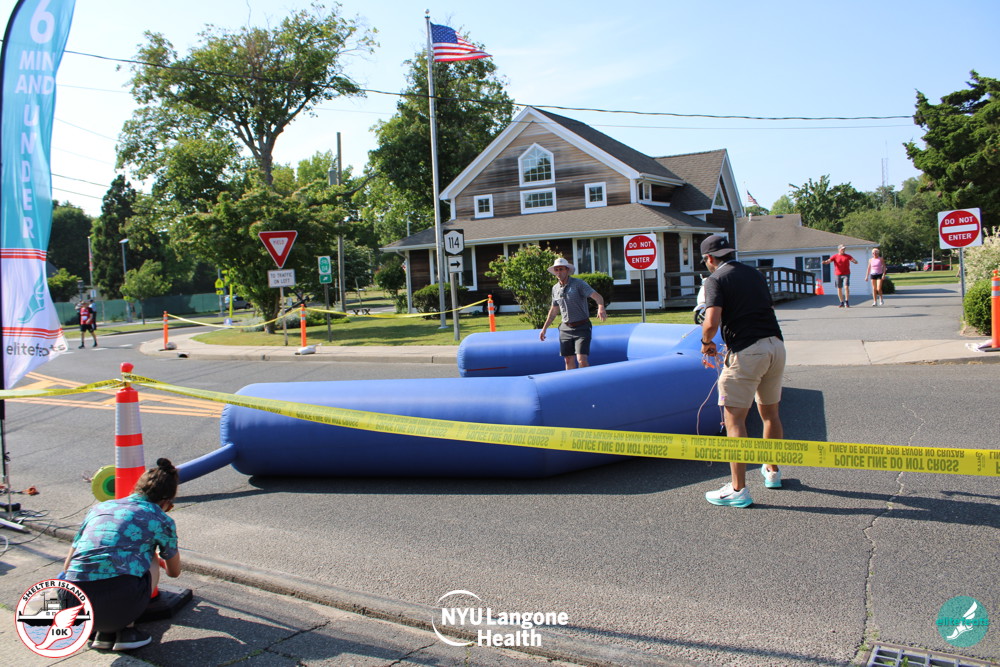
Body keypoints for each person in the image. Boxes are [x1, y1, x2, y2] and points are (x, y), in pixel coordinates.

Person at [699, 235, 786, 508]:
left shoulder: (715, 279)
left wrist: (706, 343)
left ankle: (738, 489)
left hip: (747, 352)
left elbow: (711, 322)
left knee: (735, 420)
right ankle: (772, 471)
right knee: (770, 413)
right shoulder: (755, 274)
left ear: (709, 258)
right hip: (775, 346)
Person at [61, 458, 182, 651]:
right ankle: (127, 631)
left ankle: (103, 632)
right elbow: (174, 572)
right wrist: (158, 560)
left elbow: (68, 566)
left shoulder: (99, 508)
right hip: (120, 602)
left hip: (73, 606)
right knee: (149, 553)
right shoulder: (160, 518)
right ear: (166, 502)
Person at [539, 257, 607, 369]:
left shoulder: (578, 284)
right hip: (565, 328)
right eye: (556, 270)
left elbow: (597, 296)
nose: (559, 272)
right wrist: (544, 328)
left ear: (567, 270)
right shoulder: (555, 288)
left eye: (561, 269)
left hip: (582, 326)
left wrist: (601, 307)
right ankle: (571, 380)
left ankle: (585, 379)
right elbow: (554, 310)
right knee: (568, 359)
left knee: (582, 360)